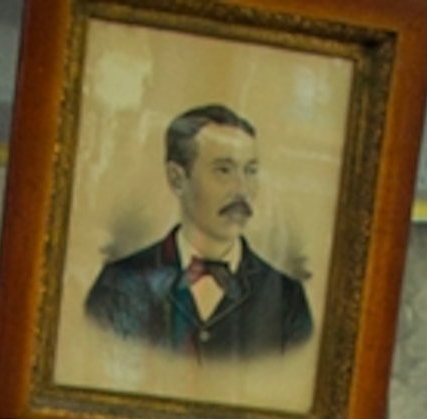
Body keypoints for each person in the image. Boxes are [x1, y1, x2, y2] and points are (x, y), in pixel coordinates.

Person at [83, 104, 314, 360]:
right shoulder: (120, 285)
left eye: (250, 171)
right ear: (177, 179)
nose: (242, 190)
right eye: (224, 170)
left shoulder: (287, 300)